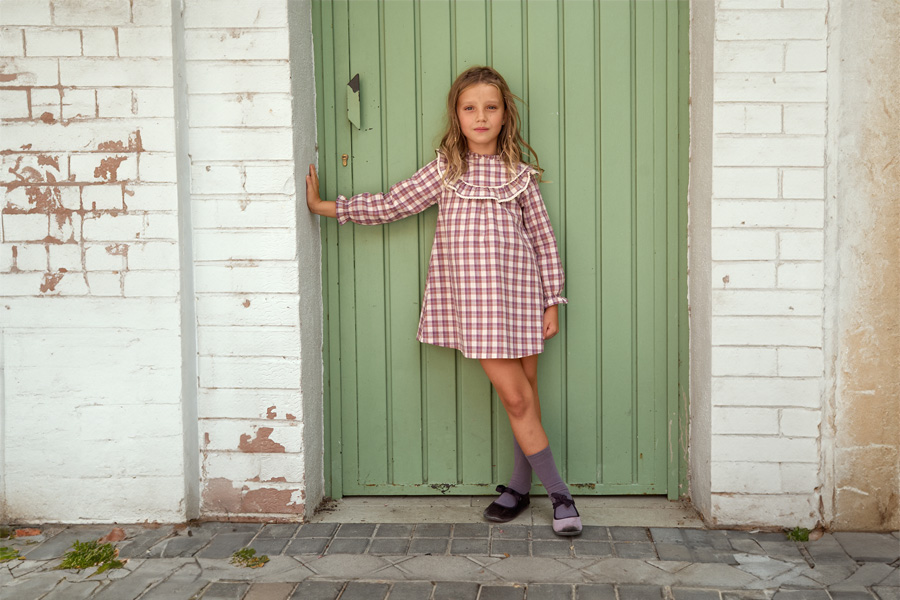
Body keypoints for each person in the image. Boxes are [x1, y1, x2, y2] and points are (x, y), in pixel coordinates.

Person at [306, 66, 581, 536]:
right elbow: (393, 203)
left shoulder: (520, 176)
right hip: (477, 306)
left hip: (522, 297)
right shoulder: (446, 171)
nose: (480, 116)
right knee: (517, 399)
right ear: (457, 115)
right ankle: (561, 495)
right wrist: (328, 207)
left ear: (503, 114)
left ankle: (517, 488)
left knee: (526, 399)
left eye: (490, 108)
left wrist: (551, 300)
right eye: (470, 107)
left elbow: (543, 239)